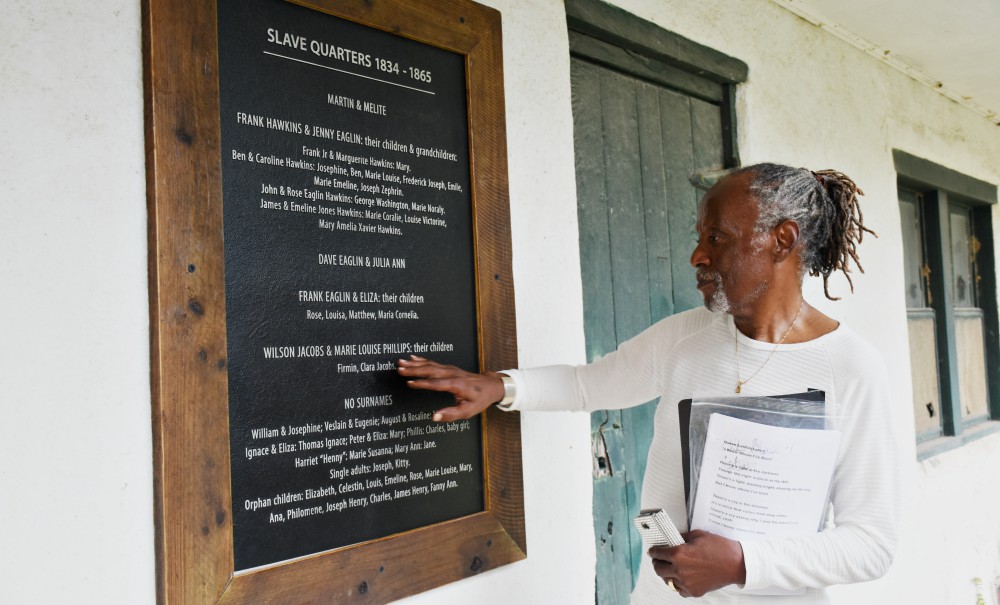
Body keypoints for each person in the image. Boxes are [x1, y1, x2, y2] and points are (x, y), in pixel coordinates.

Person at [397, 163, 900, 603]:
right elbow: (588, 386)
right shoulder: (686, 337)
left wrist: (741, 563)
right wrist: (499, 387)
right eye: (699, 238)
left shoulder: (850, 367)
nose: (697, 257)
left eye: (716, 238)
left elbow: (871, 544)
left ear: (782, 240)